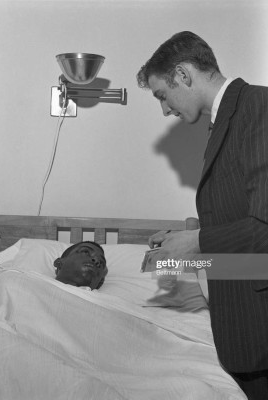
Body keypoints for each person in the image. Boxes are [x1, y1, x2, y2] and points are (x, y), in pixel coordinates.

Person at [136, 31, 268, 400]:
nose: (165, 110)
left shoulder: (259, 106)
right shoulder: (227, 117)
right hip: (244, 324)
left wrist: (196, 241)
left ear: (182, 74)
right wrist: (189, 236)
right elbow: (244, 212)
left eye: (163, 95)